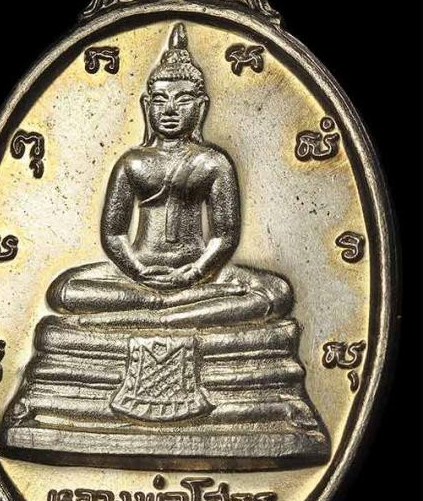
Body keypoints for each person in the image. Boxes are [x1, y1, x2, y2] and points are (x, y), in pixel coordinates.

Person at [47, 22, 292, 328]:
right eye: (161, 100)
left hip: (200, 276)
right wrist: (137, 271)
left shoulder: (213, 163)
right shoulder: (132, 163)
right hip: (138, 274)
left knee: (277, 292)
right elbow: (113, 234)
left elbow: (225, 236)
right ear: (146, 105)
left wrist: (195, 273)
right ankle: (163, 307)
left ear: (201, 107)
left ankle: (156, 312)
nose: (171, 110)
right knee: (62, 290)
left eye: (183, 99)